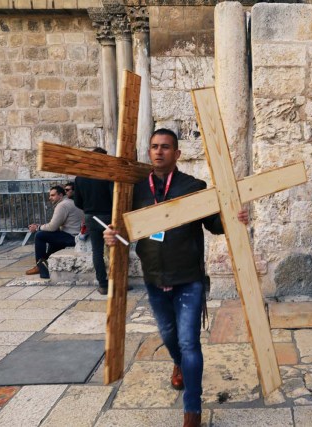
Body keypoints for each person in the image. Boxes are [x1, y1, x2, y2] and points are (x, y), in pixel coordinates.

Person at [103, 128, 248, 427]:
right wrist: (112, 236)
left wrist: (233, 218)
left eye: (166, 147)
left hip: (188, 279)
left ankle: (192, 410)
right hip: (154, 279)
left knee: (189, 342)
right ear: (149, 152)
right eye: (154, 147)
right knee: (170, 337)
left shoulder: (193, 186)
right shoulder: (137, 190)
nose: (159, 151)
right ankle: (178, 365)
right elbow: (126, 228)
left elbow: (215, 225)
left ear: (177, 153)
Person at [74, 148, 114, 295]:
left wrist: (88, 208)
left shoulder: (80, 177)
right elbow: (113, 197)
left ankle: (103, 284)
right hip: (108, 216)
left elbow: (77, 202)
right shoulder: (108, 176)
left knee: (97, 251)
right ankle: (117, 282)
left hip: (91, 216)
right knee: (115, 250)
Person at [26, 185, 84, 279]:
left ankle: (39, 267)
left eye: (53, 195)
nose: (50, 198)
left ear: (60, 195)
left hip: (72, 237)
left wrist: (37, 227)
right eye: (50, 195)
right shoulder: (69, 202)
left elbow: (52, 226)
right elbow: (55, 226)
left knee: (40, 235)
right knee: (52, 236)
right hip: (76, 235)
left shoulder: (62, 205)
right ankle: (45, 263)